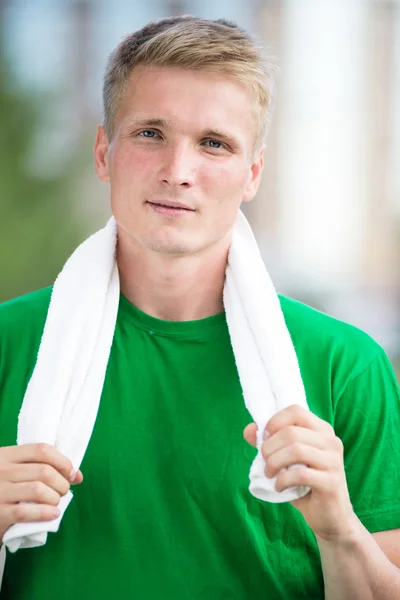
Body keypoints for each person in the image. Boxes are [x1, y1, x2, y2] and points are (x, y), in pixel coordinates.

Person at [0, 15, 399, 600]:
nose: (177, 172)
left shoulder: (346, 365)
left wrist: (339, 530)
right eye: (150, 134)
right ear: (104, 153)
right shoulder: (9, 342)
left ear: (252, 173)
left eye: (214, 144)